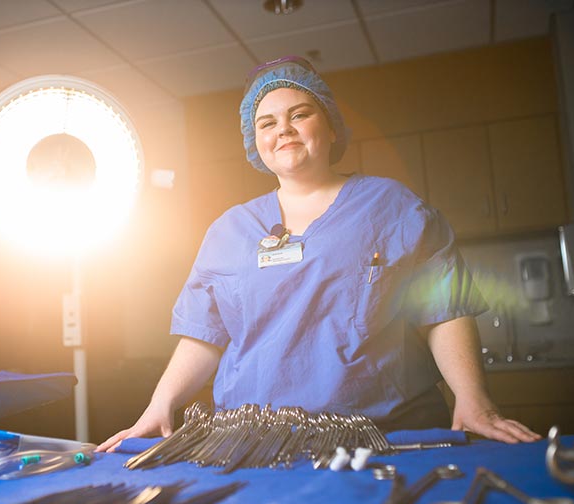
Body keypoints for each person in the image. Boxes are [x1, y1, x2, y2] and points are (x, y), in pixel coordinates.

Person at [97, 56, 540, 452]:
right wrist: (159, 406)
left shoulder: (392, 207)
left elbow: (444, 309)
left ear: (330, 127)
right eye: (267, 123)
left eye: (299, 114)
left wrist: (472, 396)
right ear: (256, 142)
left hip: (384, 438)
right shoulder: (229, 231)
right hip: (254, 448)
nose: (283, 129)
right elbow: (203, 334)